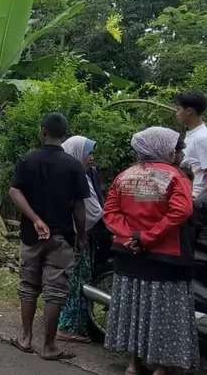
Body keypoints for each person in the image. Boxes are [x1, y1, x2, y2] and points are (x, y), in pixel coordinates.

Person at [103, 127, 200, 374]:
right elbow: (182, 212)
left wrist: (130, 237)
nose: (181, 152)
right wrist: (147, 237)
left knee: (135, 309)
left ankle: (134, 364)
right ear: (164, 149)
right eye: (178, 148)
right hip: (166, 256)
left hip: (129, 254)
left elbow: (111, 212)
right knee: (163, 312)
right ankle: (161, 368)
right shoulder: (177, 177)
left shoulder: (124, 176)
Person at [8, 113, 89, 361]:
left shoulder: (28, 159)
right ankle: (49, 346)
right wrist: (81, 235)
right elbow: (79, 206)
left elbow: (14, 191)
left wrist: (34, 218)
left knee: (29, 286)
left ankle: (25, 338)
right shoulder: (74, 165)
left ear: (43, 131)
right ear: (64, 134)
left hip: (31, 236)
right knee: (55, 291)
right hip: (61, 237)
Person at [57, 136, 105, 344]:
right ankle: (66, 326)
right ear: (77, 153)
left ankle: (66, 322)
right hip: (77, 236)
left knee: (73, 279)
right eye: (88, 154)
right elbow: (92, 211)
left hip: (75, 234)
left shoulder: (85, 175)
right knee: (77, 280)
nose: (91, 159)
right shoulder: (76, 176)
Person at [175, 91, 207, 198]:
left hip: (195, 198)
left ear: (189, 111)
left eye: (179, 109)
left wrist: (198, 198)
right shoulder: (192, 134)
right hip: (187, 195)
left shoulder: (202, 137)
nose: (177, 113)